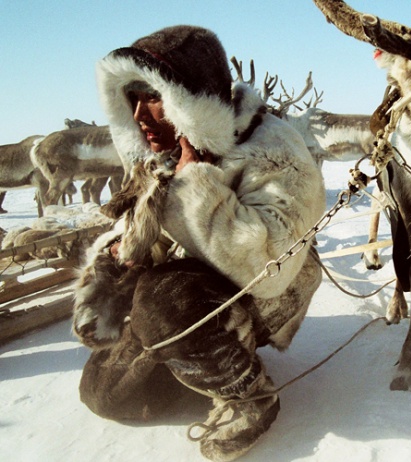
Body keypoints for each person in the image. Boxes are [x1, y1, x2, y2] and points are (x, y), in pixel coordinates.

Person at [72, 25, 325, 461]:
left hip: (269, 290)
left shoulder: (272, 147)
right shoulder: (161, 156)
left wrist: (194, 184)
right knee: (104, 393)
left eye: (151, 97)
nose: (138, 116)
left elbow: (267, 269)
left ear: (192, 96)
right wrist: (115, 264)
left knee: (163, 299)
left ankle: (249, 396)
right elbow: (135, 233)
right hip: (189, 298)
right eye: (131, 100)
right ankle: (185, 353)